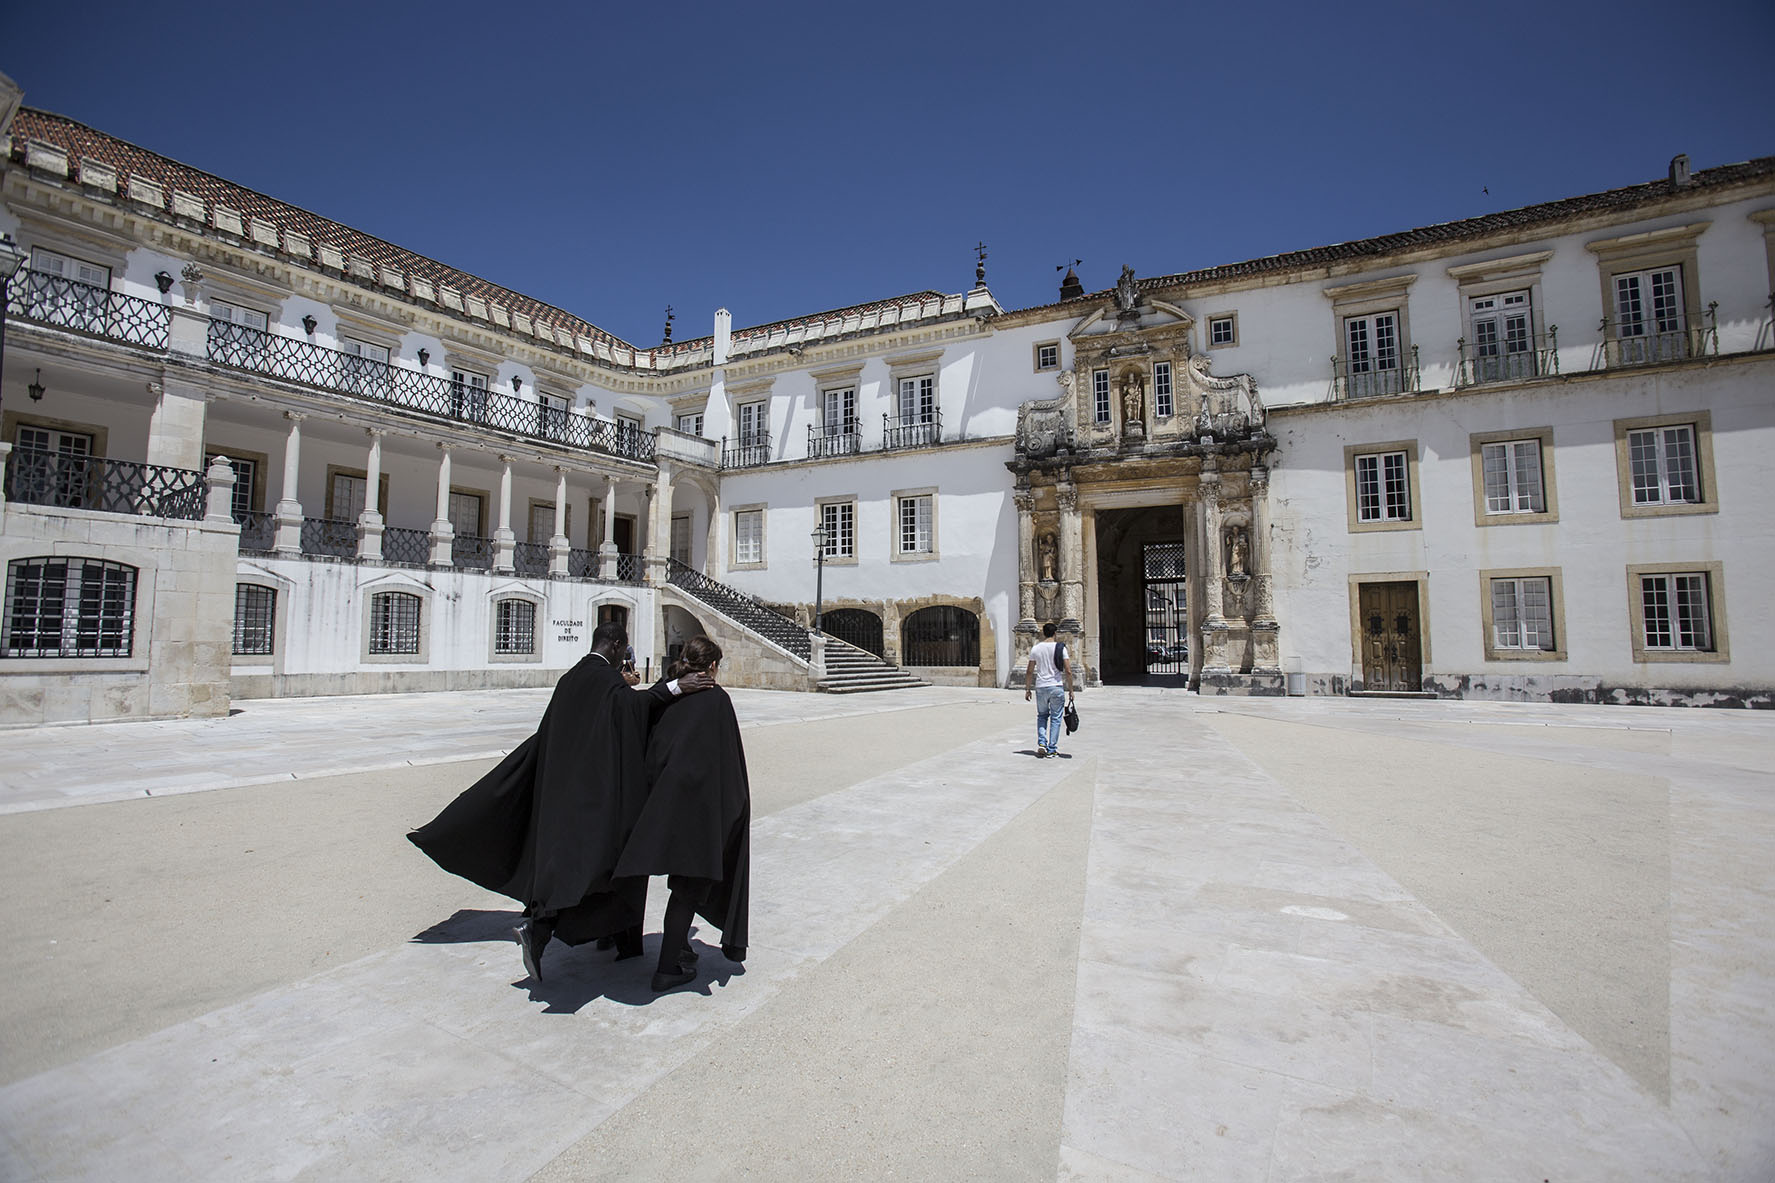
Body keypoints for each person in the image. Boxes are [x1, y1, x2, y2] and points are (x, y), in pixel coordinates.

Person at [407, 621, 712, 983]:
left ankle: (607, 935)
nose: (624, 658)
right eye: (623, 649)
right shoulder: (602, 678)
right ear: (614, 645)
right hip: (591, 795)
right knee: (601, 864)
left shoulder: (573, 677)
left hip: (563, 788)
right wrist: (675, 687)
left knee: (588, 868)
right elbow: (630, 709)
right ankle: (542, 928)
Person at [614, 636, 751, 992]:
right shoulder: (716, 700)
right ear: (712, 668)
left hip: (659, 803)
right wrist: (736, 810)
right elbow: (728, 761)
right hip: (698, 808)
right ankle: (667, 967)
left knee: (677, 884)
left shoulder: (668, 696)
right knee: (688, 887)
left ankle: (674, 948)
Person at [1023, 621, 1074, 758]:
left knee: (1042, 716)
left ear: (1043, 633)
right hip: (1056, 686)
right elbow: (1068, 670)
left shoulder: (1036, 649)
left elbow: (1029, 671)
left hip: (1041, 686)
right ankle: (1052, 748)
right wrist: (1071, 689)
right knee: (1056, 718)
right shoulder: (1061, 648)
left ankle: (1041, 743)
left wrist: (1028, 689)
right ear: (1055, 633)